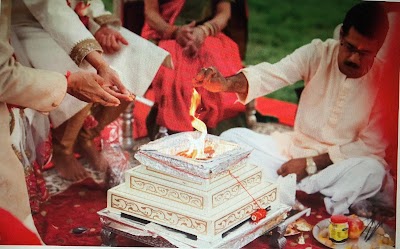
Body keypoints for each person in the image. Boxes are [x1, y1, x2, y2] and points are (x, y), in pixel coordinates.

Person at [193, 2, 395, 215]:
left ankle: (285, 191)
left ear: (379, 48)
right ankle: (307, 196)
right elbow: (271, 74)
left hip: (337, 167)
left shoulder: (385, 82)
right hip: (291, 154)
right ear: (342, 35)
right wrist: (225, 83)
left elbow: (369, 146)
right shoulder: (318, 53)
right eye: (351, 48)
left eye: (365, 53)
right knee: (232, 138)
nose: (354, 58)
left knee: (372, 172)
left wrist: (310, 164)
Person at [1, 0, 129, 241]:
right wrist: (69, 83)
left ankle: (86, 138)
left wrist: (100, 62)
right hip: (20, 33)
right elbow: (3, 77)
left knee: (122, 64)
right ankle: (64, 148)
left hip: (63, 28)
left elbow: (50, 5)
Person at [11, 0, 171, 181]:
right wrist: (99, 62)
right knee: (86, 72)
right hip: (30, 27)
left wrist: (101, 26)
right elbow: (50, 8)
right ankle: (63, 147)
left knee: (139, 55)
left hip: (77, 24)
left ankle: (86, 137)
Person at [141, 0, 246, 139]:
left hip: (207, 32)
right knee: (175, 65)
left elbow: (224, 13)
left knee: (213, 65)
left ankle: (216, 135)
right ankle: (174, 135)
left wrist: (204, 31)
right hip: (167, 32)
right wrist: (174, 32)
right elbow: (151, 12)